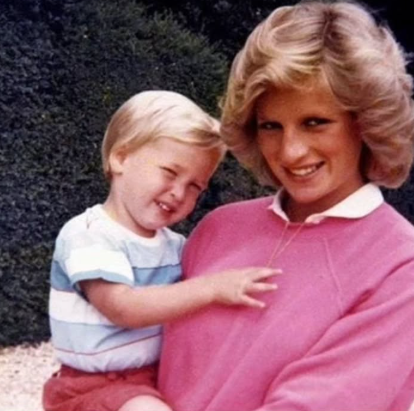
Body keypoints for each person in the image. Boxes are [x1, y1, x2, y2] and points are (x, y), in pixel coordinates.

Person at [158, 2, 414, 411]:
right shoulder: (218, 228)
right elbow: (123, 353)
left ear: (366, 123)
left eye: (315, 122)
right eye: (271, 126)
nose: (290, 151)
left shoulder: (406, 267)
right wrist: (123, 396)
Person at [42, 90, 281, 411]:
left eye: (195, 186)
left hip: (154, 379)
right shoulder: (89, 235)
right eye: (169, 172)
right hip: (92, 386)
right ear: (121, 158)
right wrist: (212, 289)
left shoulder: (176, 246)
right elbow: (123, 308)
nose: (179, 192)